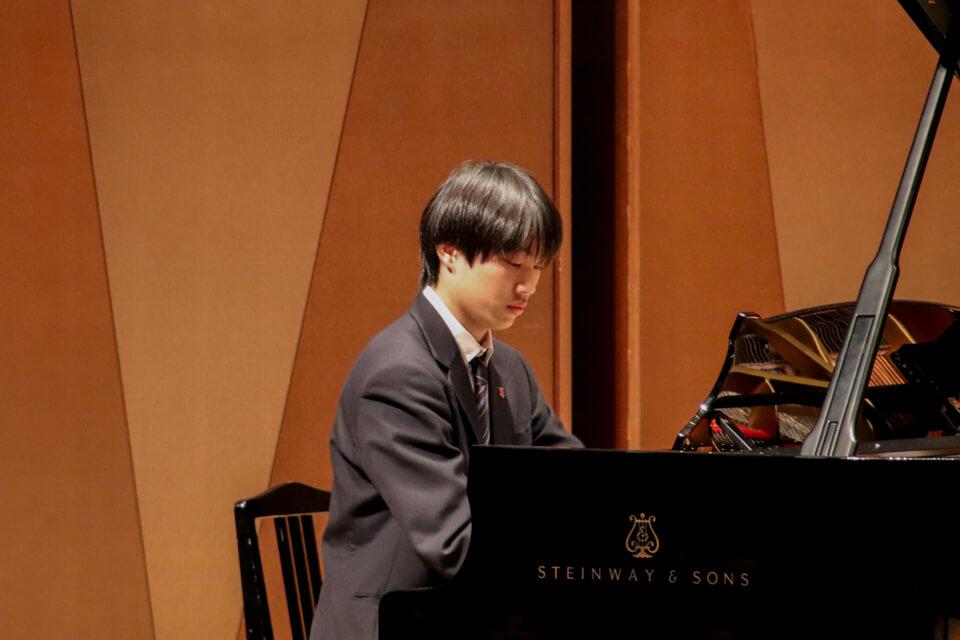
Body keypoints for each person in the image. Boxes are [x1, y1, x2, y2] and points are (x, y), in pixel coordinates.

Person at [310, 161, 583, 640]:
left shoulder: (509, 368)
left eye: (538, 266)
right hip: (394, 620)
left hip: (468, 610)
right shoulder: (398, 374)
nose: (529, 285)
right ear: (449, 251)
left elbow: (575, 479)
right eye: (514, 262)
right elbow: (452, 543)